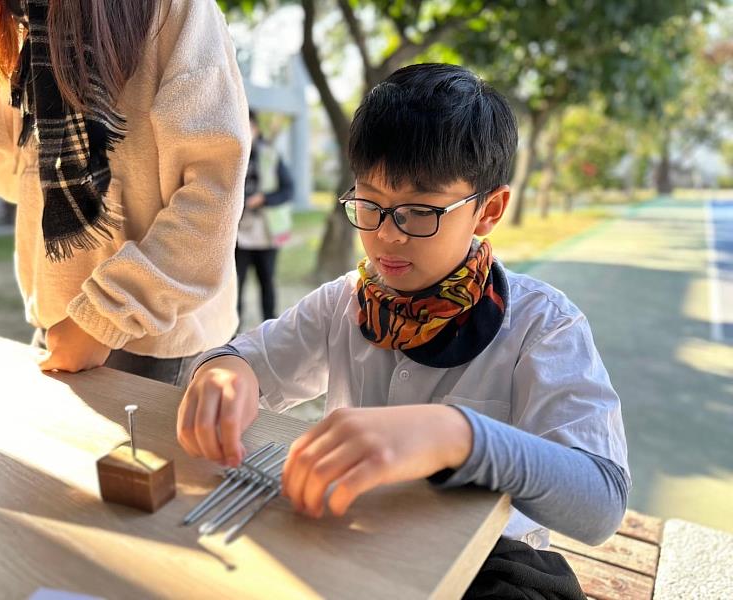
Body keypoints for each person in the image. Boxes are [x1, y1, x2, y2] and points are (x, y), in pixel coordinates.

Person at [177, 64, 629, 597]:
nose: (387, 237)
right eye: (370, 204)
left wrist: (457, 437)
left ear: (489, 209)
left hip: (482, 571)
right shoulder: (346, 302)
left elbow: (601, 502)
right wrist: (223, 371)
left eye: (418, 212)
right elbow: (246, 361)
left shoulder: (541, 327)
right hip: (352, 553)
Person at [0, 0, 249, 385]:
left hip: (158, 341)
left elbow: (213, 192)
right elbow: (15, 176)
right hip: (58, 326)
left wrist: (102, 317)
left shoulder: (174, 10)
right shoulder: (19, 17)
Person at [236, 110, 294, 323]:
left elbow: (288, 189)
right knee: (235, 285)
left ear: (256, 129)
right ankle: (230, 337)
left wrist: (264, 198)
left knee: (267, 282)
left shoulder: (271, 155)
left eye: (248, 126)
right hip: (237, 234)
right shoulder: (228, 155)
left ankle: (270, 329)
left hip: (266, 232)